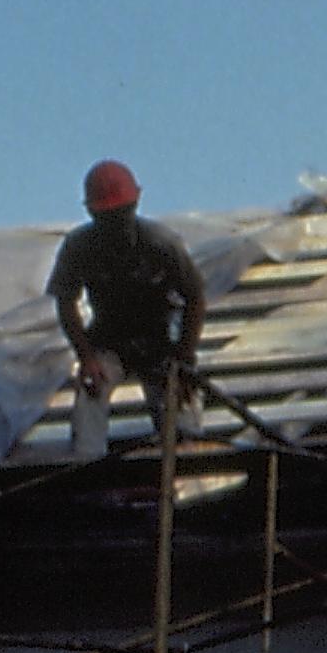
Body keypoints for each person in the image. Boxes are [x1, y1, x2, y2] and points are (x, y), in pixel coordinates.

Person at [47, 158, 207, 452]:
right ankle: (88, 470)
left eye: (121, 215)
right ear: (92, 213)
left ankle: (185, 468)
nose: (115, 226)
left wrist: (185, 358)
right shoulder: (79, 246)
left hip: (160, 342)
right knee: (90, 393)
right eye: (107, 218)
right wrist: (86, 357)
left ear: (135, 207)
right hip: (109, 341)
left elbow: (195, 297)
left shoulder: (161, 243)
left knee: (182, 407)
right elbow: (65, 301)